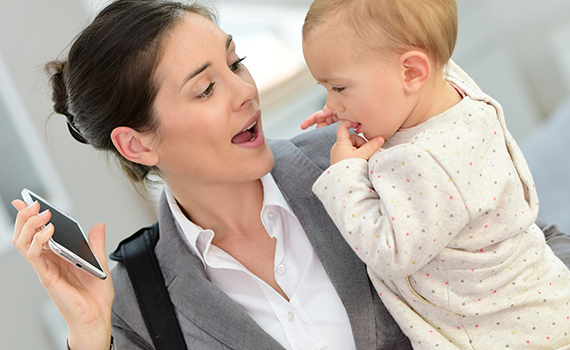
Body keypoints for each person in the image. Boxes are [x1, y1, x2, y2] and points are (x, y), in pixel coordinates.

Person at [11, 1, 414, 349]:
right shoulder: (135, 306)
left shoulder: (359, 158)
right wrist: (89, 334)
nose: (245, 92)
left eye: (236, 64)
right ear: (137, 145)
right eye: (205, 89)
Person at [300, 0, 570, 349]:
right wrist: (353, 105)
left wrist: (344, 173)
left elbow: (389, 250)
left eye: (338, 88)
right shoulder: (458, 94)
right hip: (543, 303)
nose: (332, 104)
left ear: (411, 72)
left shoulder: (424, 161)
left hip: (503, 335)